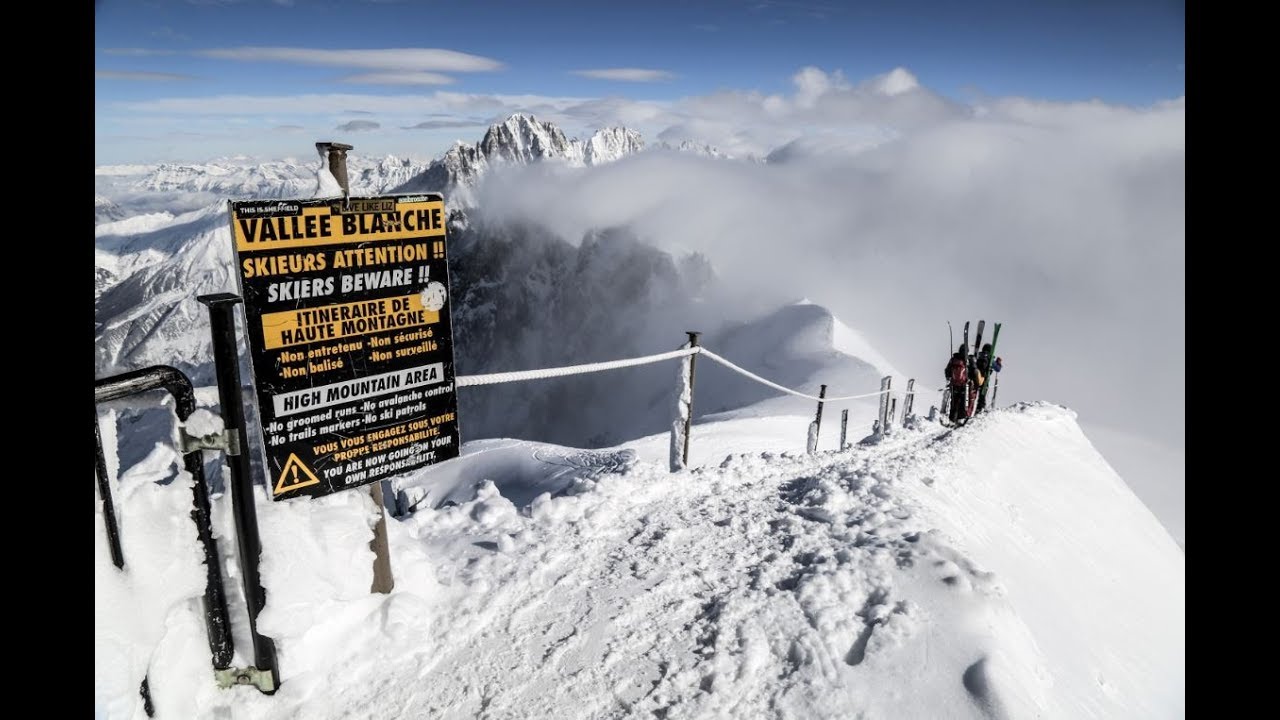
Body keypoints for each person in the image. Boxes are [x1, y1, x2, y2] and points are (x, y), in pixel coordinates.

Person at [944, 345, 969, 425]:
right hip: (963, 385)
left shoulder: (953, 359)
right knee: (962, 403)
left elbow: (947, 370)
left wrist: (948, 377)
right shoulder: (966, 361)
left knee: (954, 403)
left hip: (954, 384)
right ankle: (960, 419)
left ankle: (952, 420)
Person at [975, 343, 994, 413]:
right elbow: (998, 368)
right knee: (982, 395)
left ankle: (971, 409)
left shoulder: (979, 355)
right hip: (984, 379)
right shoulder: (990, 358)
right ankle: (980, 408)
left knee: (973, 394)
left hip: (977, 377)